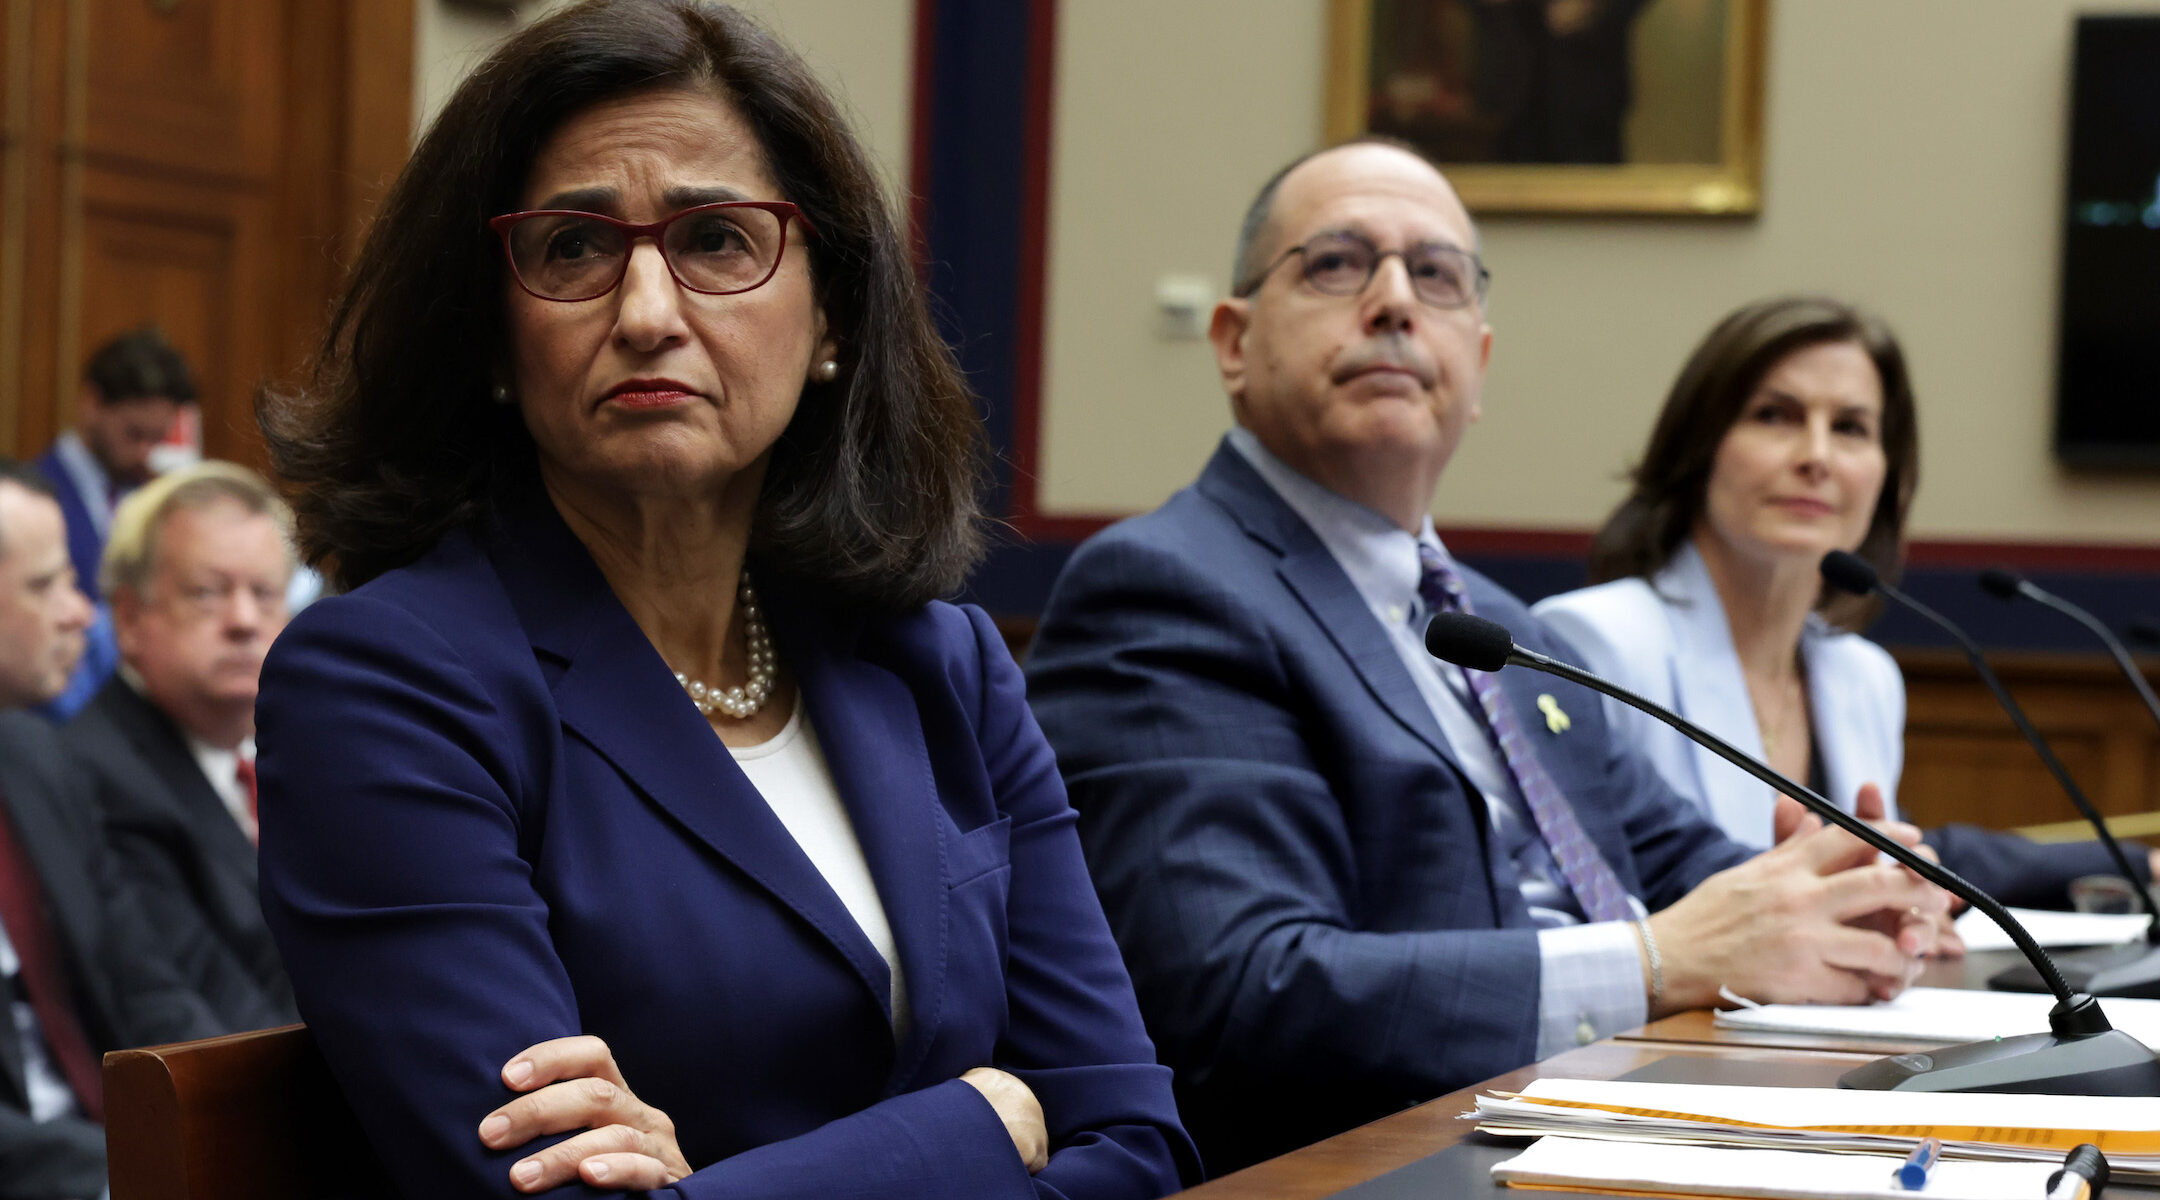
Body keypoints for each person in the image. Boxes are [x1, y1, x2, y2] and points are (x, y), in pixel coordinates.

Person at [251, 3, 1195, 1198]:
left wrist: (709, 1187)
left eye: (715, 240)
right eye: (573, 248)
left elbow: (1137, 1143)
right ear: (493, 336)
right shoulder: (385, 686)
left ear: (832, 322)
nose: (647, 312)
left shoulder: (940, 663)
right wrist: (983, 1120)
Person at [1023, 140, 1949, 1173]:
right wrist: (1656, 962)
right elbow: (1241, 990)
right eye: (1335, 264)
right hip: (1389, 1166)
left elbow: (1680, 860)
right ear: (1233, 342)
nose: (1392, 302)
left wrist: (1845, 899)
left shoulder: (1509, 629)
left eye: (1437, 276)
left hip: (1631, 1124)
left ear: (1481, 364)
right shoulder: (1166, 588)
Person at [1532, 295, 2156, 910]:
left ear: (1886, 477)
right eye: (1775, 416)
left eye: (1851, 428)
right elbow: (1579, 909)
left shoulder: (1864, 679)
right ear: (1699, 448)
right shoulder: (1591, 644)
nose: (1817, 457)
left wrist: (1905, 916)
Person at [0, 458, 222, 1200]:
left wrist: (233, 1112)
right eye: (45, 585)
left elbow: (147, 985)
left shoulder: (38, 758)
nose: (79, 613)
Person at [62, 461, 301, 1032]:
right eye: (207, 593)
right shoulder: (99, 775)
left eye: (265, 594)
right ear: (128, 618)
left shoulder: (296, 759)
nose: (244, 620)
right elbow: (209, 1020)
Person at [37, 328, 196, 607]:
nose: (145, 453)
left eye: (157, 438)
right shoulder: (30, 495)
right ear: (92, 402)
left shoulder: (160, 498)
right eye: (134, 434)